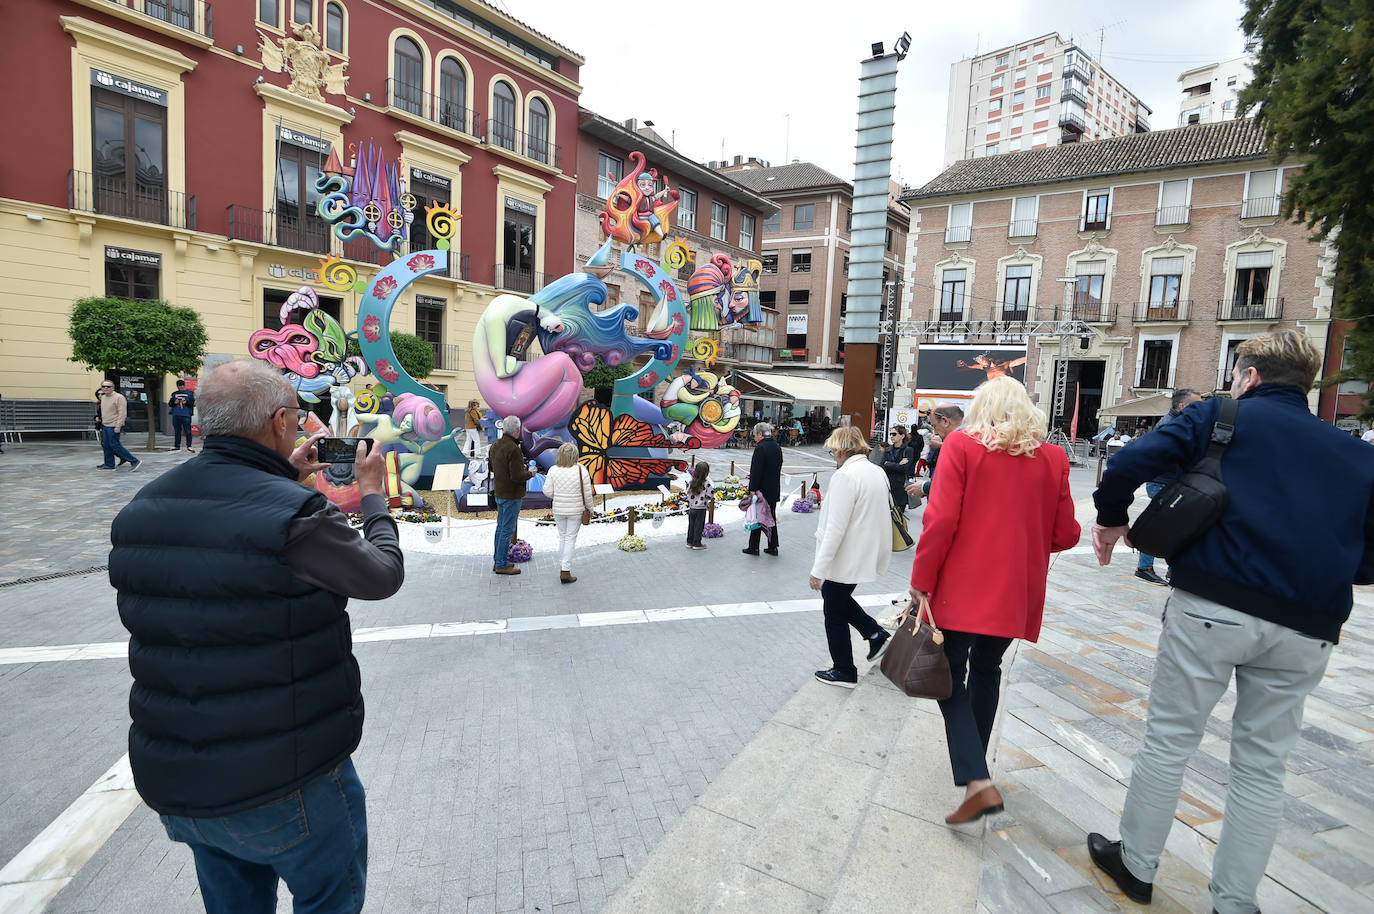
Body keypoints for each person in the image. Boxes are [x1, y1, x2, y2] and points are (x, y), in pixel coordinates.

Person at [1087, 330, 1374, 914]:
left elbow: (1127, 463)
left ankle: (1137, 865)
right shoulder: (1358, 455)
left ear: (1249, 376)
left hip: (1213, 605)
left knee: (1170, 741)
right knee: (1262, 768)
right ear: (1306, 382)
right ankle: (1235, 903)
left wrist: (1113, 519)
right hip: (1306, 625)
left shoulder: (1221, 416)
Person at [110, 359, 404, 914]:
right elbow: (381, 575)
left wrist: (283, 477)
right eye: (295, 418)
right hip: (285, 778)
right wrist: (372, 494)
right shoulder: (295, 515)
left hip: (181, 778)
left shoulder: (141, 508)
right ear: (278, 422)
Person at [908, 376, 1080, 824]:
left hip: (963, 587)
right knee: (987, 671)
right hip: (1016, 591)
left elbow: (940, 520)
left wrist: (921, 580)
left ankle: (978, 780)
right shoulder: (1054, 457)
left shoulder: (962, 447)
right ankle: (977, 770)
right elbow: (1065, 534)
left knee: (948, 677)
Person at [809, 425, 893, 687]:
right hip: (865, 550)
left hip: (845, 554)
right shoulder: (875, 471)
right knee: (837, 600)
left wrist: (818, 569)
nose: (833, 455)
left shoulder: (845, 476)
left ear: (843, 450)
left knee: (833, 611)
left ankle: (844, 668)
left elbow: (836, 526)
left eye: (834, 450)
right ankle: (874, 633)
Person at [1134, 389, 1204, 585]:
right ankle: (1145, 567)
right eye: (1197, 405)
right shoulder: (1172, 426)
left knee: (1174, 527)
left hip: (1166, 482)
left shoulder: (1177, 424)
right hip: (1163, 483)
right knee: (1163, 527)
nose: (1201, 409)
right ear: (1182, 406)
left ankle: (1169, 569)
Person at [542, 442, 593, 583]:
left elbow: (547, 491)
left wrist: (557, 496)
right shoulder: (581, 470)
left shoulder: (553, 470)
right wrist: (591, 509)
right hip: (576, 510)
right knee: (570, 538)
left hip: (558, 509)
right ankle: (565, 570)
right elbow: (587, 494)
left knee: (563, 537)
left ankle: (563, 565)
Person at [490, 415, 533, 575]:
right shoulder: (514, 449)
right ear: (517, 431)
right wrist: (530, 474)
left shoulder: (496, 445)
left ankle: (498, 560)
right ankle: (501, 564)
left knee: (500, 528)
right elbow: (517, 476)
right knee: (507, 530)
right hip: (511, 495)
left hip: (500, 492)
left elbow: (492, 468)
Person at [742, 422, 782, 556]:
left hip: (761, 490)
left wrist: (752, 489)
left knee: (757, 517)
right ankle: (773, 546)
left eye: (754, 434)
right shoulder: (776, 446)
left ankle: (753, 547)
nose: (753, 436)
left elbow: (756, 471)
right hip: (773, 488)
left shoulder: (760, 448)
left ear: (760, 434)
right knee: (771, 518)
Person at [910, 403, 963, 500]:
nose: (936, 433)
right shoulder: (966, 441)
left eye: (934, 426)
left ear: (945, 421)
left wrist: (924, 487)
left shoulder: (960, 445)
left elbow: (951, 484)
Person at [96, 380, 141, 471]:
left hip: (114, 425)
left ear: (113, 388)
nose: (106, 388)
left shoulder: (119, 397)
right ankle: (109, 464)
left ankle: (134, 461)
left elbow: (122, 413)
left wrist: (118, 426)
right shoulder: (103, 397)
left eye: (108, 387)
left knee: (115, 445)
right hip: (105, 425)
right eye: (104, 386)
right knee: (106, 445)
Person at [881, 425, 915, 512]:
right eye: (890, 434)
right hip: (887, 485)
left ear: (902, 436)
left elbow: (904, 468)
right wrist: (897, 465)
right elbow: (882, 466)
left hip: (900, 486)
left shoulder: (908, 450)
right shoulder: (888, 449)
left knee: (898, 517)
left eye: (894, 434)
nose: (891, 436)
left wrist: (888, 464)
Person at [684, 461, 713, 549]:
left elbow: (687, 493)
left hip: (692, 508)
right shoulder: (707, 483)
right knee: (699, 526)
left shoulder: (691, 482)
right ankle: (697, 543)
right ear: (706, 473)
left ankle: (689, 542)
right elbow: (710, 495)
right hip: (701, 508)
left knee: (691, 525)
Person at [168, 379, 196, 453]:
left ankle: (189, 446)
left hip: (186, 414)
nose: (181, 388)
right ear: (177, 387)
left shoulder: (190, 393)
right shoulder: (174, 394)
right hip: (176, 414)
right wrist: (174, 402)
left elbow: (193, 403)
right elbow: (170, 404)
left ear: (184, 386)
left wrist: (186, 402)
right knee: (177, 431)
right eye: (179, 387)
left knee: (188, 431)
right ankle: (177, 446)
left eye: (182, 387)